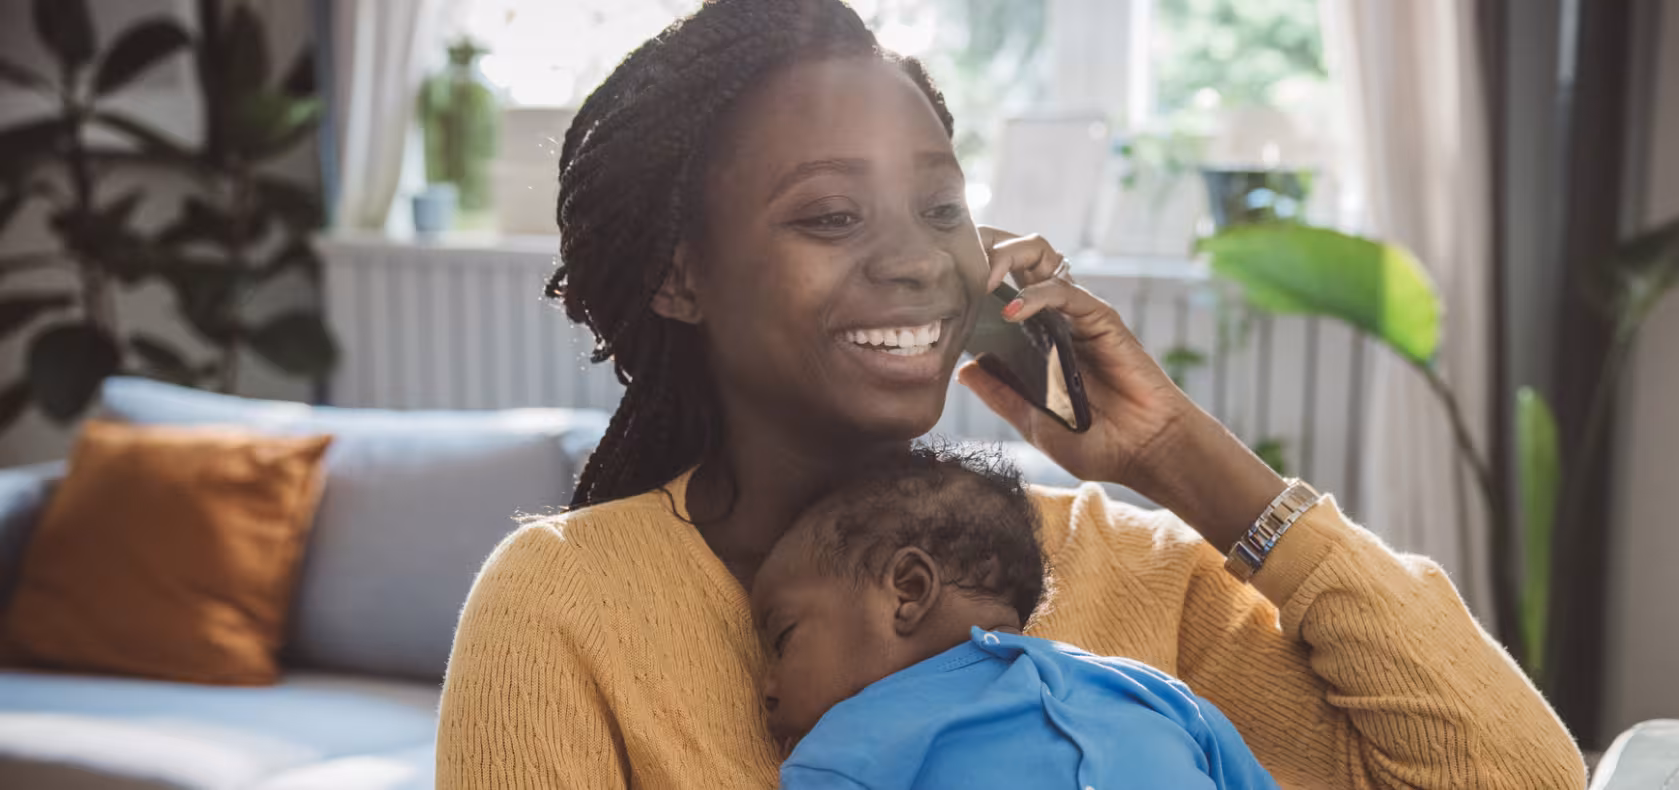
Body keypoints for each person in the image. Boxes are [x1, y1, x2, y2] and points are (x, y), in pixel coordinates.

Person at [436, 0, 1584, 787]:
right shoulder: (566, 605)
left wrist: (1177, 453)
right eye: (832, 215)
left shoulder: (1123, 569)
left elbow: (1515, 776)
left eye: (940, 208)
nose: (915, 261)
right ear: (678, 275)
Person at [751, 441, 1279, 790]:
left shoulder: (849, 746)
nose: (767, 686)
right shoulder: (1151, 690)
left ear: (908, 591)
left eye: (784, 637)